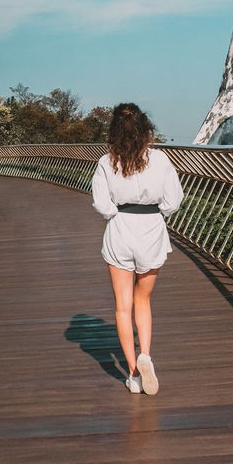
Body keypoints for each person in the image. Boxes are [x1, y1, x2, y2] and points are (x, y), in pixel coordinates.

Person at [92, 103, 183, 395]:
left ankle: (133, 374)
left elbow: (102, 204)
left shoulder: (107, 162)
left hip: (121, 228)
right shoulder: (160, 160)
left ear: (114, 131)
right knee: (143, 300)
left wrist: (114, 213)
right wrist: (158, 214)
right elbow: (173, 201)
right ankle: (145, 354)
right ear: (146, 128)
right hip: (151, 229)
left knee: (123, 306)